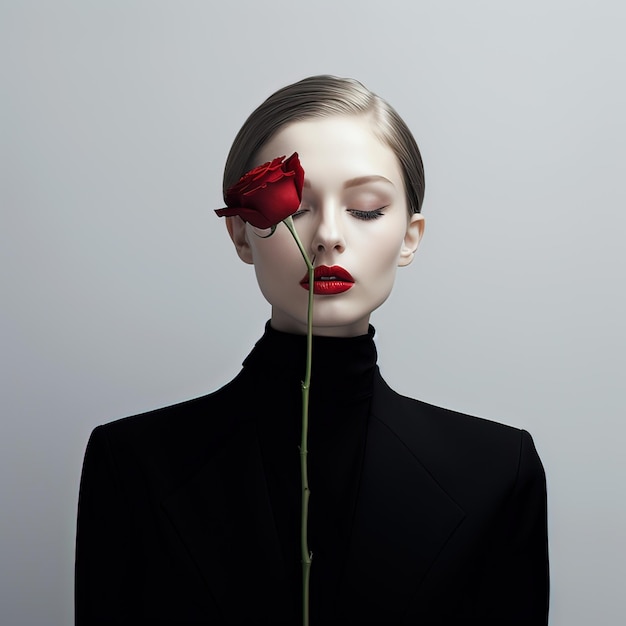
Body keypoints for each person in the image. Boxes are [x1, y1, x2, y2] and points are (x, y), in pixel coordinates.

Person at [75, 75, 549, 625]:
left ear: (410, 237)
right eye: (295, 208)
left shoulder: (498, 471)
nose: (326, 236)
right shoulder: (133, 463)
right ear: (239, 234)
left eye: (366, 209)